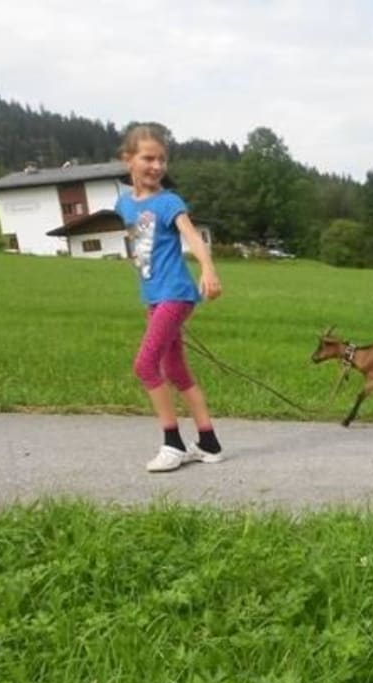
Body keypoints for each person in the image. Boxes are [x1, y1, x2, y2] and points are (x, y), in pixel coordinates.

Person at [115, 124, 225, 472]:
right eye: (148, 158)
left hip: (176, 293)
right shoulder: (123, 203)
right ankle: (208, 443)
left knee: (145, 365)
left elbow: (191, 235)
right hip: (155, 296)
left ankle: (173, 443)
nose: (157, 166)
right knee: (175, 368)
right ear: (127, 160)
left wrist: (207, 269)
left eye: (162, 159)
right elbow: (139, 242)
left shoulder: (168, 201)